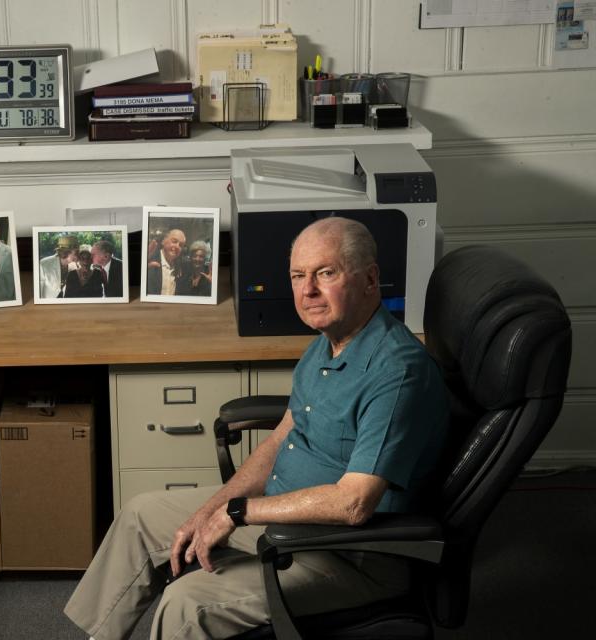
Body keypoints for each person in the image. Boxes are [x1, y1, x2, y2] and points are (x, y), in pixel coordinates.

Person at [65, 217, 449, 640]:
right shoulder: (330, 340)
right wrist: (219, 505)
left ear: (370, 278)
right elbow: (284, 433)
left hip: (346, 556)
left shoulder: (396, 373)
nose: (308, 292)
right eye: (298, 276)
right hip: (283, 517)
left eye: (326, 273)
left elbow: (353, 504)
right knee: (140, 514)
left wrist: (238, 513)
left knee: (187, 605)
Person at [146, 228, 187, 296]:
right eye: (174, 241)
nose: (177, 246)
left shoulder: (180, 266)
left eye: (181, 245)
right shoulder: (150, 260)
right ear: (163, 241)